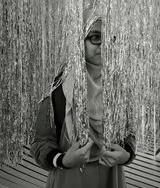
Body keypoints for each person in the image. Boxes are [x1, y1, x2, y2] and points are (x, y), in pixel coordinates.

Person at [30, 12, 136, 188]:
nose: (104, 45)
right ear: (79, 40)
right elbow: (40, 143)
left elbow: (129, 133)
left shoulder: (119, 86)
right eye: (95, 37)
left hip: (111, 177)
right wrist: (63, 160)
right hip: (70, 178)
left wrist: (127, 155)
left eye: (112, 38)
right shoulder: (58, 89)